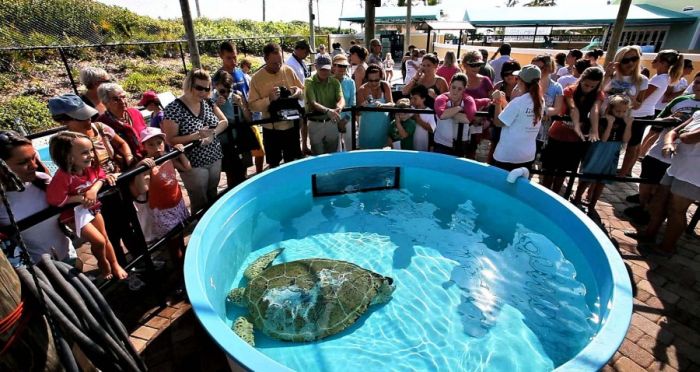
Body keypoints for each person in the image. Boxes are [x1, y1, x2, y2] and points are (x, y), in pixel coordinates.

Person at [48, 94, 140, 266]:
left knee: (128, 225)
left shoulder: (99, 128)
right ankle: (121, 267)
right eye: (80, 118)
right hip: (95, 198)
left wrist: (127, 157)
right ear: (64, 121)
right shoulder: (67, 146)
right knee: (110, 234)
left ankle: (141, 258)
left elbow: (120, 144)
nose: (87, 120)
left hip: (113, 183)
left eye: (87, 115)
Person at [46, 131, 126, 280]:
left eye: (91, 150)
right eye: (84, 152)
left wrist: (93, 190)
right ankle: (103, 265)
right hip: (73, 214)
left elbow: (101, 177)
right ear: (68, 157)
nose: (91, 155)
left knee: (105, 238)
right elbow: (54, 199)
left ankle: (115, 264)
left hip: (91, 207)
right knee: (99, 241)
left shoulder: (90, 167)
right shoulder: (63, 177)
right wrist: (79, 198)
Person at [624, 73, 700, 224]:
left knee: (662, 192)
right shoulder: (680, 100)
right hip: (660, 149)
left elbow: (687, 136)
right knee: (646, 182)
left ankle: (653, 216)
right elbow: (658, 121)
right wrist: (669, 121)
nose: (698, 85)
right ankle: (643, 207)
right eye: (697, 82)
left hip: (683, 159)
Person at [626, 111, 700, 255]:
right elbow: (673, 132)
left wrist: (680, 133)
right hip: (676, 166)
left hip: (693, 175)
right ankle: (649, 234)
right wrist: (668, 143)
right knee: (658, 202)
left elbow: (686, 137)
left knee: (676, 210)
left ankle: (667, 247)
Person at [0, 130, 77, 265]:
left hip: (68, 254)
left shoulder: (43, 181)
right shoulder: (2, 202)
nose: (34, 165)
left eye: (34, 157)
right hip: (38, 271)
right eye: (23, 162)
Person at [162, 69, 228, 213]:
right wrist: (196, 136)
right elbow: (170, 139)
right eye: (199, 87)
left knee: (213, 194)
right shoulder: (174, 108)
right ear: (189, 85)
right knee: (199, 200)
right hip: (193, 163)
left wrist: (212, 134)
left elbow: (224, 121)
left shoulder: (208, 102)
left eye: (207, 88)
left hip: (214, 156)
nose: (203, 92)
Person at [131, 127, 190, 273]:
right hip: (163, 209)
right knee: (173, 243)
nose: (157, 148)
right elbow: (142, 188)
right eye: (151, 144)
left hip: (177, 203)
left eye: (159, 143)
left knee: (180, 235)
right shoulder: (148, 166)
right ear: (143, 146)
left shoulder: (168, 158)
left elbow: (186, 167)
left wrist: (180, 152)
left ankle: (183, 264)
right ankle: (179, 271)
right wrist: (139, 168)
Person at [540, 67, 605, 193]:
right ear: (581, 80)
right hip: (558, 135)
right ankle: (545, 195)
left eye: (593, 86)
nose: (588, 89)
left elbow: (595, 110)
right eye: (586, 85)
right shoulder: (570, 90)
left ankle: (556, 197)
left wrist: (594, 129)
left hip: (575, 140)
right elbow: (573, 107)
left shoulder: (598, 95)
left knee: (562, 173)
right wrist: (576, 124)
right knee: (548, 171)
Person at [620, 49, 684, 177]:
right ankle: (627, 170)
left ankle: (623, 172)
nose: (653, 62)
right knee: (636, 144)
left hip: (640, 114)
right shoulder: (661, 77)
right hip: (646, 112)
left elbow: (641, 98)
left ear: (664, 63)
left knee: (632, 146)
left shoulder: (659, 79)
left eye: (656, 60)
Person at [572, 95, 633, 211]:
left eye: (624, 111)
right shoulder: (604, 120)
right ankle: (577, 198)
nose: (621, 113)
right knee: (588, 176)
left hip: (612, 151)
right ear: (611, 109)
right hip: (600, 149)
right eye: (618, 111)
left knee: (602, 180)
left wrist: (629, 124)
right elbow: (604, 138)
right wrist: (610, 124)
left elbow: (625, 139)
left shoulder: (624, 121)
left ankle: (592, 203)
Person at [249, 43, 305, 168]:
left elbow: (302, 90)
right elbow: (252, 105)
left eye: (280, 62)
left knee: (292, 162)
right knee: (273, 163)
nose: (278, 66)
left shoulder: (288, 70)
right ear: (265, 59)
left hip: (291, 125)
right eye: (274, 63)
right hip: (271, 128)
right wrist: (269, 99)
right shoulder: (256, 78)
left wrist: (297, 92)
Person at [491, 64, 544, 171]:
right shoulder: (540, 101)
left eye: (517, 78)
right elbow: (516, 116)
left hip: (508, 156)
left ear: (521, 81)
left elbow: (498, 122)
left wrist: (497, 102)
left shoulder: (518, 102)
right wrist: (503, 101)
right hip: (527, 156)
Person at [212, 70, 257, 187]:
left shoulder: (237, 95)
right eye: (222, 91)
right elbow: (209, 123)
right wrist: (215, 107)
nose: (226, 94)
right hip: (226, 143)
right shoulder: (211, 100)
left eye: (229, 90)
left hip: (240, 140)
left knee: (243, 172)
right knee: (231, 176)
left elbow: (249, 119)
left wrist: (241, 105)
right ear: (215, 86)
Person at [433, 73, 491, 156]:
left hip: (461, 144)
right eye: (453, 87)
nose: (455, 91)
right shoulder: (441, 98)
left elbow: (468, 119)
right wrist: (459, 108)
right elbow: (442, 115)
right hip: (441, 143)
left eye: (459, 89)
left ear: (464, 89)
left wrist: (449, 113)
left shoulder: (468, 99)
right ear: (449, 85)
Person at [304, 55, 345, 155]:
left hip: (331, 122)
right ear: (316, 67)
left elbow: (341, 99)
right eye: (321, 68)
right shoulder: (309, 82)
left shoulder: (335, 82)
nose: (324, 71)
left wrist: (339, 108)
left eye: (326, 69)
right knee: (318, 156)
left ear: (331, 67)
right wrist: (328, 111)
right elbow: (313, 103)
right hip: (315, 123)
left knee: (332, 156)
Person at [97, 83, 147, 159]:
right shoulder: (101, 124)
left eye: (123, 97)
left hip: (149, 158)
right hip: (128, 166)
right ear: (105, 103)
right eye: (116, 99)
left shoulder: (135, 113)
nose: (122, 101)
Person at [461, 50, 495, 159]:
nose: (476, 68)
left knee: (474, 153)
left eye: (479, 65)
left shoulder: (485, 80)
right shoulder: (458, 79)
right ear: (465, 64)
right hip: (461, 121)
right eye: (473, 65)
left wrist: (480, 116)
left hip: (480, 124)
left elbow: (492, 100)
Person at [489, 60, 522, 163]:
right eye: (506, 73)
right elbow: (491, 105)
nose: (509, 76)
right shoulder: (498, 86)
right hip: (499, 124)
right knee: (494, 149)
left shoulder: (522, 88)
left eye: (512, 72)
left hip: (515, 126)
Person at [531, 54, 564, 154]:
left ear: (548, 68)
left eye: (539, 67)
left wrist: (543, 112)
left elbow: (557, 108)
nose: (535, 70)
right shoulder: (528, 84)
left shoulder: (557, 87)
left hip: (544, 128)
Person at [357, 64, 394, 149]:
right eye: (370, 80)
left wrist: (383, 105)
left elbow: (392, 103)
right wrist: (361, 106)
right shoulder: (362, 90)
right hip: (367, 130)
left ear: (381, 78)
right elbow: (357, 112)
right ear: (366, 79)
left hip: (383, 128)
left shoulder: (385, 85)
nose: (373, 83)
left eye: (376, 80)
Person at [286, 40, 313, 155]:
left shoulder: (300, 61)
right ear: (299, 50)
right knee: (296, 126)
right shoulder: (290, 64)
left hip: (303, 99)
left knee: (304, 124)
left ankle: (304, 146)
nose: (307, 54)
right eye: (306, 51)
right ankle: (295, 150)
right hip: (296, 100)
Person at [332, 54, 356, 151]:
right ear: (334, 66)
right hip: (332, 120)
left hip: (348, 119)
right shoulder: (328, 81)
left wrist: (345, 120)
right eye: (339, 65)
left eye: (344, 66)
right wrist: (337, 121)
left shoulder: (350, 82)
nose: (342, 68)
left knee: (350, 147)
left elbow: (352, 102)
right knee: (336, 149)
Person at [409, 85, 436, 152]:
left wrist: (418, 119)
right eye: (411, 98)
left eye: (415, 98)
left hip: (422, 149)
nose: (412, 100)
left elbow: (432, 129)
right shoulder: (409, 109)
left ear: (423, 98)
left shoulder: (429, 111)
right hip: (408, 148)